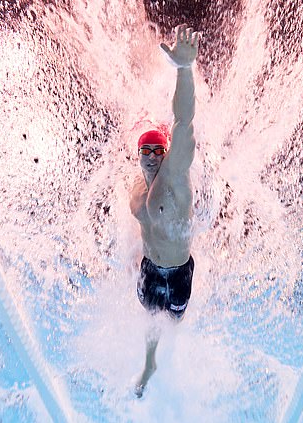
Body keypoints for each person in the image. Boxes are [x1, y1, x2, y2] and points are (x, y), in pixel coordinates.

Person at [129, 23, 200, 397]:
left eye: (160, 149)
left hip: (177, 273)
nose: (155, 156)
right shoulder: (136, 186)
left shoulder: (174, 172)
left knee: (173, 318)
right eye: (148, 150)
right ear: (139, 155)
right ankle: (150, 362)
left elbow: (184, 122)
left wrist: (184, 70)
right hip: (150, 267)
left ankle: (168, 359)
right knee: (148, 313)